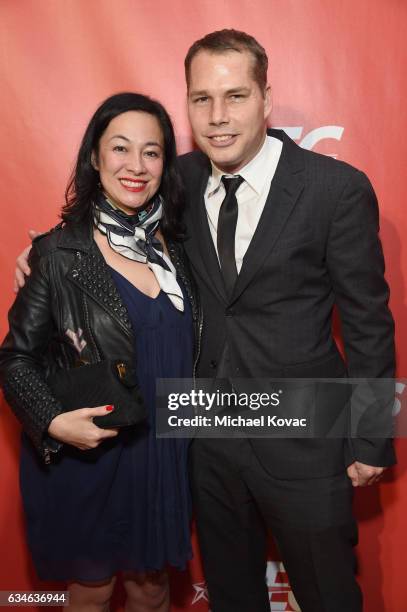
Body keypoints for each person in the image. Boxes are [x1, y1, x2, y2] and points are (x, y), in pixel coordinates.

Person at [14, 30, 395, 612]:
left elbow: (369, 321)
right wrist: (45, 253)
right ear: (188, 103)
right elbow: (109, 213)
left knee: (328, 595)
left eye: (235, 96)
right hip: (205, 439)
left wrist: (372, 436)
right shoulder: (179, 179)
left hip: (305, 437)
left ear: (266, 99)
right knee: (233, 596)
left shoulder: (334, 189)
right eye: (201, 100)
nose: (218, 117)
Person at [1, 92, 201, 612]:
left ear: (166, 163)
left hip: (166, 452)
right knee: (93, 592)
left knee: (152, 589)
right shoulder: (59, 253)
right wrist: (51, 422)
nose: (136, 166)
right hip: (96, 453)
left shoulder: (180, 248)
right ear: (94, 156)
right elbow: (14, 358)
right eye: (120, 148)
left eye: (152, 152)